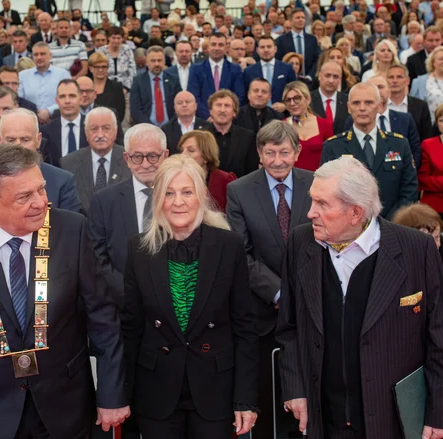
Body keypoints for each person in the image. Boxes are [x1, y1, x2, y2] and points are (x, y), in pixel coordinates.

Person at [0, 143, 129, 438]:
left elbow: (102, 317)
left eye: (41, 189)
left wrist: (111, 395)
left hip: (67, 403)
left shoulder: (72, 230)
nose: (41, 202)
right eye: (25, 196)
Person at [277, 155, 443, 439]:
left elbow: (439, 337)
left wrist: (437, 413)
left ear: (356, 212)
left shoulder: (418, 249)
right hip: (324, 417)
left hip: (394, 421)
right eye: (312, 200)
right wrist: (295, 389)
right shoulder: (300, 242)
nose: (310, 213)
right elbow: (289, 326)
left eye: (322, 204)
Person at [122, 153, 258, 438]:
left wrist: (245, 398)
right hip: (156, 392)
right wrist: (123, 396)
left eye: (187, 192)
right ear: (158, 197)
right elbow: (131, 329)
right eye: (169, 193)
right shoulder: (138, 250)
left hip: (215, 390)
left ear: (201, 196)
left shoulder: (229, 246)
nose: (178, 202)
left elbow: (245, 328)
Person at [226, 120, 314, 439]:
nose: (278, 160)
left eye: (285, 152)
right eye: (270, 152)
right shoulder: (238, 190)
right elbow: (241, 253)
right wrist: (279, 293)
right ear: (259, 153)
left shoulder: (316, 184)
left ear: (298, 152)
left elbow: (325, 242)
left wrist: (302, 292)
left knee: (308, 401)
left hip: (311, 309)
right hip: (262, 316)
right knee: (267, 401)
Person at [88, 123, 169, 309]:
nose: (146, 164)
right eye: (138, 157)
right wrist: (130, 293)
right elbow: (97, 257)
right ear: (127, 158)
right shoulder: (104, 201)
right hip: (122, 307)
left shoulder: (181, 197)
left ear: (165, 155)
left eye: (153, 156)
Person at [321, 83, 417, 219]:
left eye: (369, 102)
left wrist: (392, 222)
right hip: (350, 225)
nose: (362, 108)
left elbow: (409, 189)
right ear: (348, 108)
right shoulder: (333, 147)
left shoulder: (399, 144)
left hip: (394, 225)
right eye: (356, 103)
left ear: (379, 106)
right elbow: (327, 191)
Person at [0, 106, 82, 214]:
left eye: (25, 139)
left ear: (38, 140)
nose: (18, 146)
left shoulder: (62, 182)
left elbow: (69, 230)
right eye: (11, 140)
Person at [60, 107, 131, 212]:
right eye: (94, 129)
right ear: (86, 133)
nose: (100, 135)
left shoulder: (130, 160)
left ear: (115, 132)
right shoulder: (68, 163)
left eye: (106, 128)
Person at [188, 33, 245, 120]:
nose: (217, 48)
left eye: (221, 45)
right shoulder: (196, 69)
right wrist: (210, 116)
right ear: (208, 47)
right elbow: (194, 97)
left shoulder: (235, 69)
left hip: (229, 121)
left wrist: (225, 115)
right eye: (213, 44)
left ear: (226, 48)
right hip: (205, 120)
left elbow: (239, 96)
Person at [177, 130, 237, 211]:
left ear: (206, 156)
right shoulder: (175, 178)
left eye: (191, 150)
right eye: (181, 150)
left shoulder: (225, 180)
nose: (183, 155)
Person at [205, 89, 259, 178]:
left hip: (239, 189)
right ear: (211, 111)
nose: (222, 110)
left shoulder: (247, 137)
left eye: (227, 106)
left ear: (234, 112)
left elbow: (252, 172)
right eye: (218, 105)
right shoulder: (200, 136)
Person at [283, 81, 333, 172]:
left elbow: (332, 157)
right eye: (288, 100)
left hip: (319, 180)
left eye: (297, 98)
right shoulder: (282, 126)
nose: (292, 103)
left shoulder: (324, 125)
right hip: (291, 180)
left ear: (308, 99)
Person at [18, 42, 71, 125]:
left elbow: (67, 98)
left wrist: (49, 111)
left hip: (57, 121)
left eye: (42, 54)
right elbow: (19, 100)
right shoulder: (22, 76)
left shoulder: (63, 74)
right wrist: (36, 113)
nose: (39, 57)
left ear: (50, 55)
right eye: (36, 54)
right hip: (29, 122)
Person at [39, 79, 88, 166]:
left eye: (72, 96)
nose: (67, 101)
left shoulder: (92, 127)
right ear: (57, 100)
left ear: (80, 99)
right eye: (62, 96)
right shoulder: (45, 131)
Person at [130, 46, 180, 127]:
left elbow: (178, 106)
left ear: (164, 61)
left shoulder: (174, 80)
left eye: (159, 60)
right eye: (153, 61)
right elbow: (135, 110)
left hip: (171, 127)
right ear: (147, 62)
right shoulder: (138, 81)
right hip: (146, 127)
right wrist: (150, 127)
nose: (156, 64)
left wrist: (169, 126)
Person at [243, 35, 297, 106]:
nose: (266, 50)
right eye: (262, 47)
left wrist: (285, 106)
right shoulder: (248, 71)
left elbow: (295, 91)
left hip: (282, 113)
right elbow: (245, 95)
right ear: (257, 50)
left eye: (269, 46)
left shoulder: (287, 68)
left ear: (275, 49)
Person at [387, 64, 434, 142]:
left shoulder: (421, 106)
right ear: (386, 80)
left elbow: (426, 137)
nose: (395, 81)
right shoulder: (379, 106)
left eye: (399, 77)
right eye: (391, 77)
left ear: (407, 81)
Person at [275, 8, 321, 77]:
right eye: (297, 18)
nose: (301, 20)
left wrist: (309, 76)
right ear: (290, 21)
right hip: (288, 80)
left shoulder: (312, 39)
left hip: (309, 81)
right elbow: (278, 61)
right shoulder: (281, 40)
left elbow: (317, 60)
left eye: (303, 18)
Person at [310, 61, 350, 135]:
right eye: (327, 75)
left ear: (340, 79)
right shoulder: (308, 100)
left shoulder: (348, 101)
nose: (331, 80)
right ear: (319, 76)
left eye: (335, 77)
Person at [418, 104, 443, 216]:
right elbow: (423, 179)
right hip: (433, 208)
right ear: (437, 123)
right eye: (442, 120)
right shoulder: (428, 145)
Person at [88, 52, 126, 124]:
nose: (101, 70)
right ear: (90, 68)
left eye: (104, 67)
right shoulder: (85, 87)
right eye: (97, 67)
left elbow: (120, 113)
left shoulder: (116, 87)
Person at [98, 27, 137, 92]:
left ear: (122, 38)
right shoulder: (101, 51)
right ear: (108, 38)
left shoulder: (127, 50)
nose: (116, 41)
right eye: (113, 38)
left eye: (118, 38)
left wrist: (126, 88)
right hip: (105, 88)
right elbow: (98, 71)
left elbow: (132, 71)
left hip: (125, 88)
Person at [411, 46, 443, 124]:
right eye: (440, 59)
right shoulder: (419, 81)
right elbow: (413, 106)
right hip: (430, 126)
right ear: (433, 62)